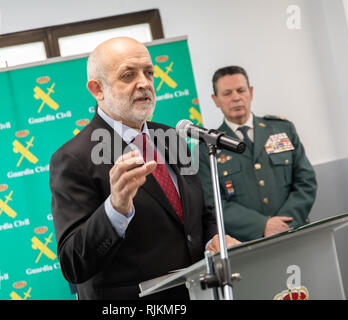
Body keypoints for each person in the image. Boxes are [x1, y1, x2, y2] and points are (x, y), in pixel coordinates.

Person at [49, 37, 239, 300]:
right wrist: (114, 209)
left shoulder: (171, 137)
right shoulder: (72, 158)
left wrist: (214, 240)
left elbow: (201, 215)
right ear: (97, 89)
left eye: (149, 73)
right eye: (128, 75)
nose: (144, 83)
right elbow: (73, 264)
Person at [198, 66, 317, 242]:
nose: (236, 98)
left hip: (294, 233)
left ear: (250, 92)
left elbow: (306, 181)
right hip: (247, 244)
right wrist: (262, 225)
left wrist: (284, 224)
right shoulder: (207, 147)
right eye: (227, 93)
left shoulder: (282, 129)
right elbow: (213, 203)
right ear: (215, 100)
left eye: (241, 90)